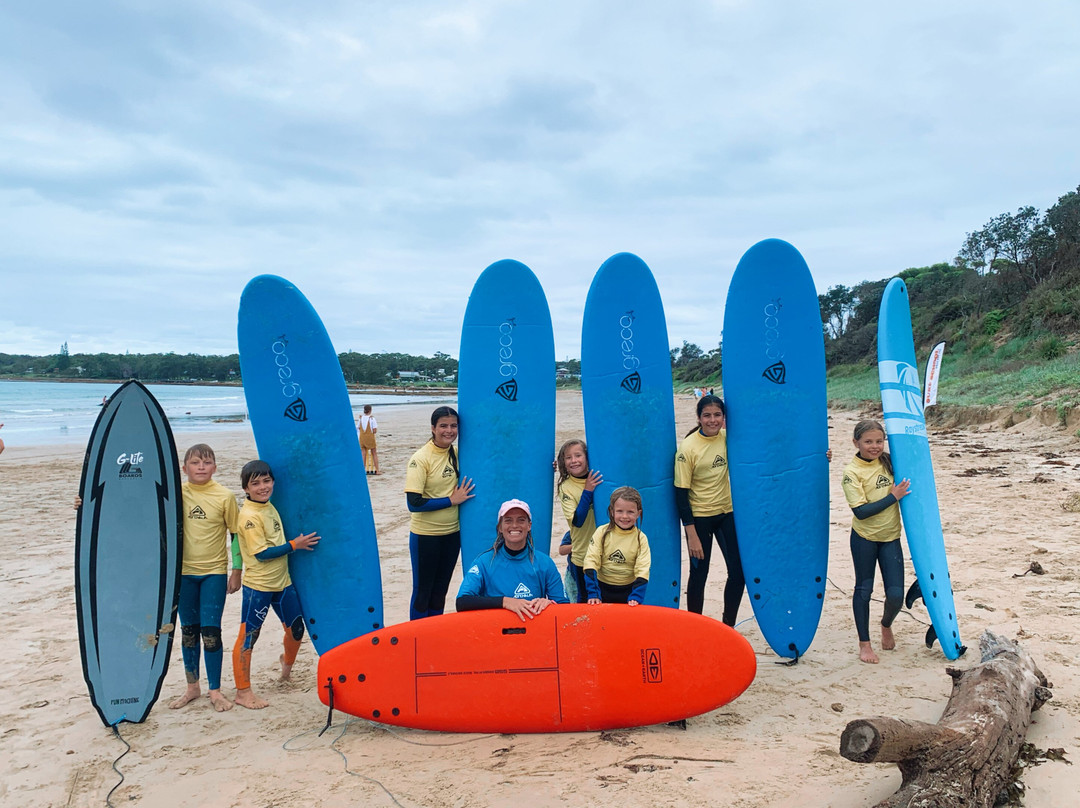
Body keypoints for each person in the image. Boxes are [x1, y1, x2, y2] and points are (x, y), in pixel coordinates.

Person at [232, 460, 319, 709]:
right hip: (258, 586)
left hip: (283, 583)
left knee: (296, 630)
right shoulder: (249, 516)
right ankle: (243, 691)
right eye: (255, 483)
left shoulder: (269, 507)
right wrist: (295, 545)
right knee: (249, 636)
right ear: (246, 489)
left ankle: (286, 670)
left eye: (266, 481)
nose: (263, 487)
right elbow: (261, 553)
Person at [169, 444, 242, 712]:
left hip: (213, 573)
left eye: (207, 462)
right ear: (184, 467)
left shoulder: (224, 496)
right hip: (183, 575)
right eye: (196, 462)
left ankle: (215, 690)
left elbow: (236, 535)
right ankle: (192, 687)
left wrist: (237, 570)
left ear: (215, 467)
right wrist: (84, 506)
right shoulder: (175, 495)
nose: (201, 467)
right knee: (188, 632)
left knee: (211, 632)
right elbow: (135, 507)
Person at [842, 420, 911, 664]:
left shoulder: (889, 461)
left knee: (895, 595)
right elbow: (860, 512)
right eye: (868, 442)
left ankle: (885, 624)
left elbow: (914, 466)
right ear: (856, 443)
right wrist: (893, 497)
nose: (874, 446)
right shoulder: (852, 473)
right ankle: (865, 644)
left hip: (891, 537)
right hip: (864, 539)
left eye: (879, 441)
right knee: (864, 590)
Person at [674, 394, 743, 625]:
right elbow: (681, 494)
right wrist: (691, 534)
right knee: (699, 575)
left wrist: (821, 457)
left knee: (738, 573)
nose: (712, 420)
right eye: (707, 415)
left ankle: (728, 626)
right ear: (699, 418)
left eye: (717, 415)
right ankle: (695, 628)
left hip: (726, 514)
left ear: (724, 417)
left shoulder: (728, 438)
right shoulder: (688, 448)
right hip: (699, 519)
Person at [405, 406, 474, 620]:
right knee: (423, 592)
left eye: (454, 426)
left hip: (452, 534)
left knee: (440, 590)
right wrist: (451, 501)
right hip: (426, 536)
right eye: (443, 425)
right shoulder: (421, 458)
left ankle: (431, 637)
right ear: (433, 428)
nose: (449, 430)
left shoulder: (456, 453)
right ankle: (417, 638)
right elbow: (414, 503)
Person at [456, 499, 568, 621]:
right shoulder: (484, 562)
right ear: (500, 527)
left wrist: (549, 603)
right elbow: (462, 602)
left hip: (532, 630)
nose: (515, 525)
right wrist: (506, 602)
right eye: (508, 520)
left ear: (529, 525)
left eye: (521, 520)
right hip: (495, 630)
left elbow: (563, 605)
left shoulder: (544, 563)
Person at [583, 487, 651, 605]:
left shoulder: (641, 539)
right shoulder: (601, 532)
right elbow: (590, 561)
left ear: (638, 514)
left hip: (629, 592)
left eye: (630, 512)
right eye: (620, 511)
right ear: (612, 511)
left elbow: (643, 569)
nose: (624, 516)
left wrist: (636, 596)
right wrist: (593, 593)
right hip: (600, 589)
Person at [555, 439, 602, 603]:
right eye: (568, 457)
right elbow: (578, 520)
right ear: (563, 463)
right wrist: (588, 491)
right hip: (582, 556)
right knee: (584, 601)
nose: (574, 460)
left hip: (605, 552)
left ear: (587, 457)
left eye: (578, 455)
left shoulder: (600, 477)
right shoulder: (565, 487)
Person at [357, 404, 380, 475]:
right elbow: (374, 430)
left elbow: (358, 428)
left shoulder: (360, 418)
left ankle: (362, 470)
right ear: (370, 410)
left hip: (362, 438)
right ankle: (377, 470)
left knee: (363, 454)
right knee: (374, 453)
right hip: (370, 438)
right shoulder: (372, 419)